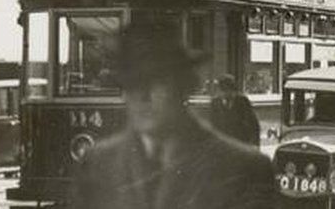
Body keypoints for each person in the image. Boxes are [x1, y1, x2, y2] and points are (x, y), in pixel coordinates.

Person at [71, 22, 276, 209]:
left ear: (180, 87)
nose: (143, 96)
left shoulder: (245, 168)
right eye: (132, 84)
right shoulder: (97, 164)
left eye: (155, 82)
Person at [210, 73, 261, 147]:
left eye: (229, 90)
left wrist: (255, 144)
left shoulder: (242, 101)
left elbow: (253, 124)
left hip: (241, 143)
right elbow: (213, 124)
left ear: (233, 90)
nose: (226, 93)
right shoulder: (215, 103)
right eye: (223, 90)